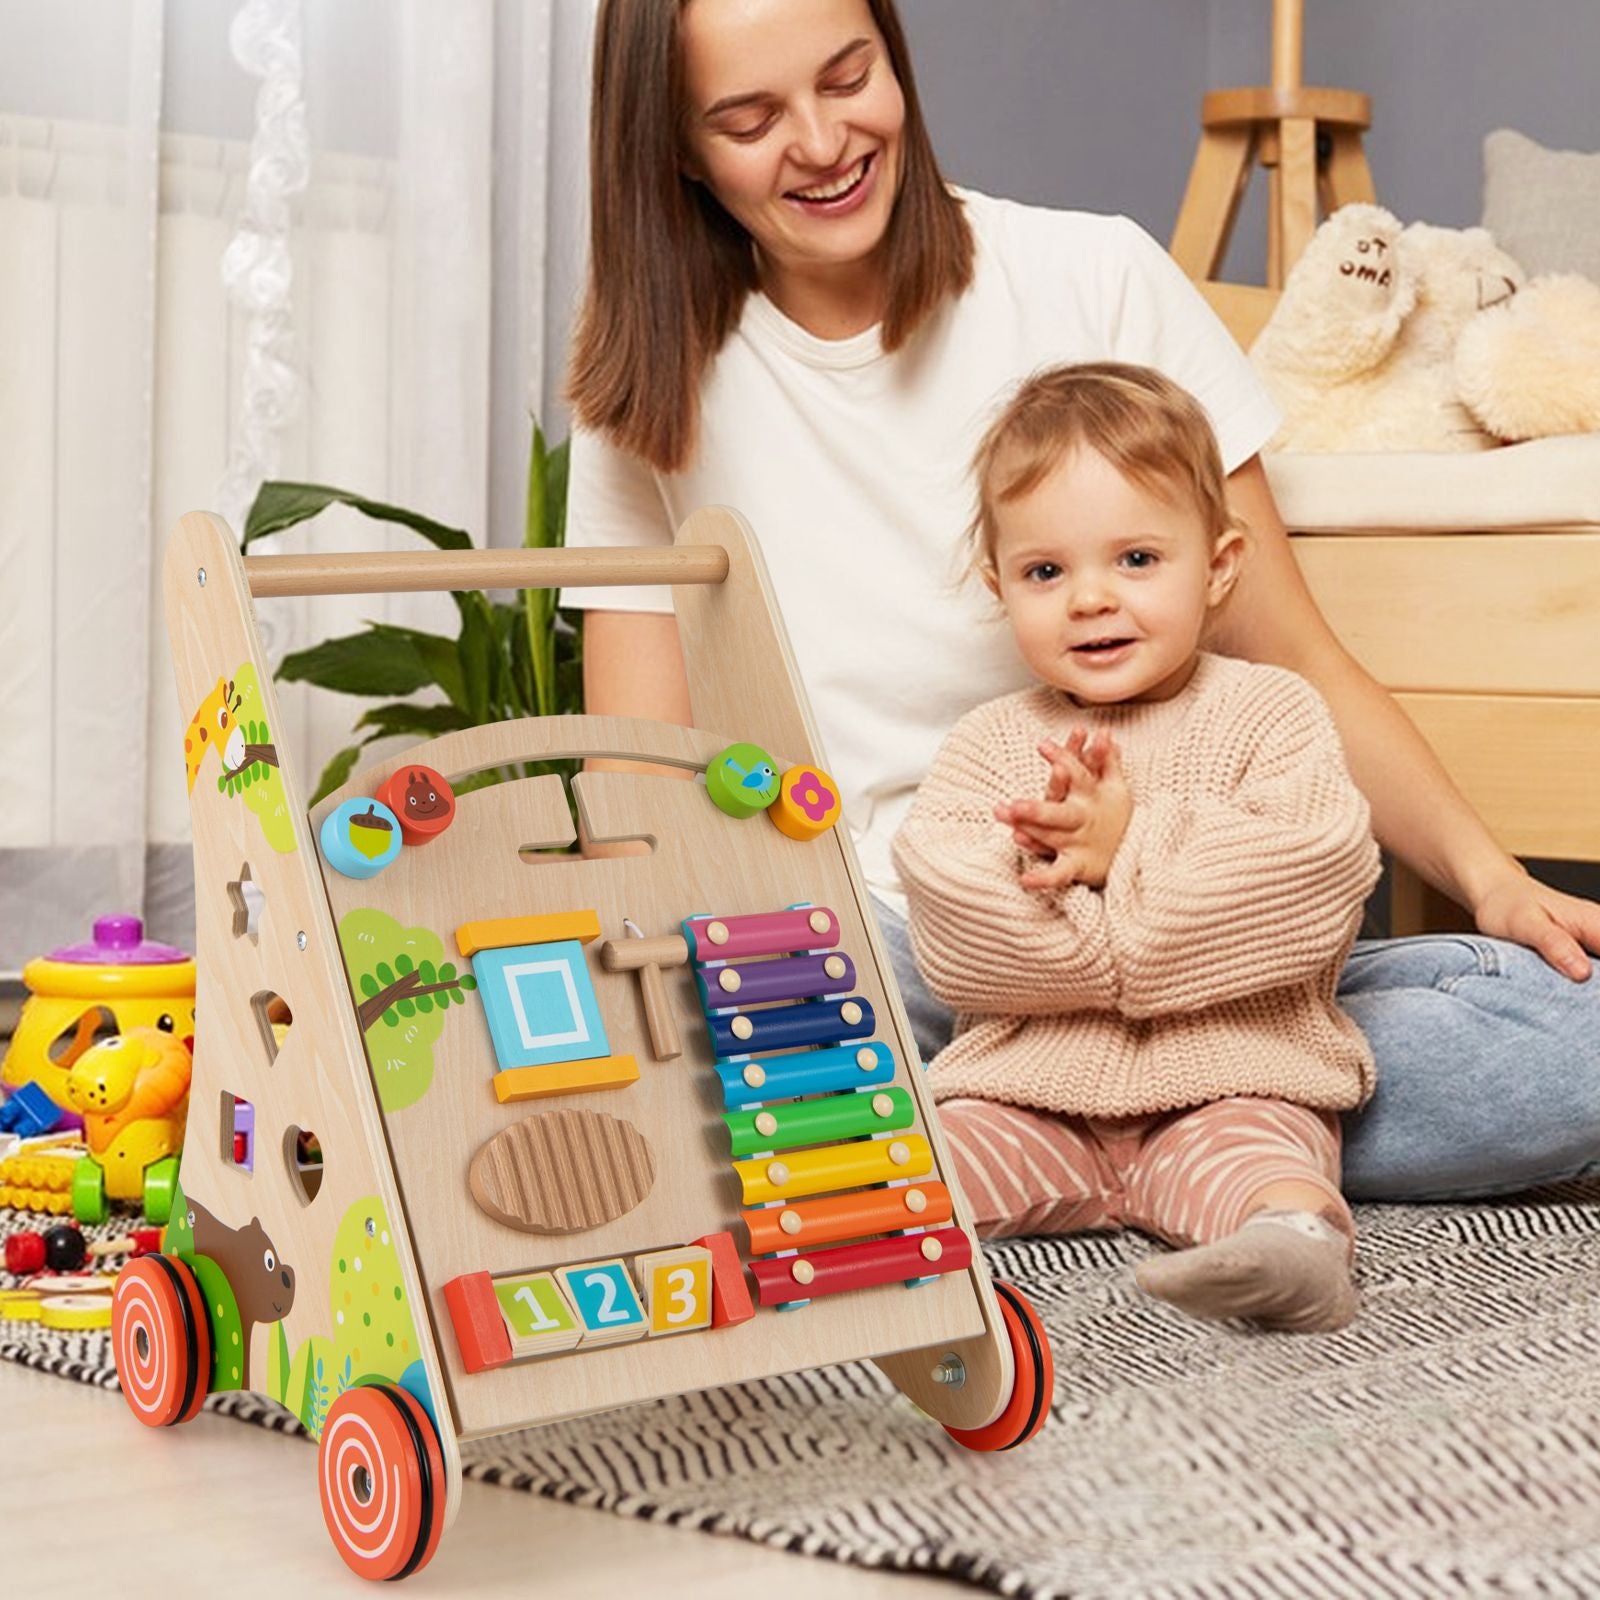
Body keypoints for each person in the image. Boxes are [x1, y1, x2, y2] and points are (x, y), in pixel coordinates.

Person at [557, 0, 1600, 1203]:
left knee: (1565, 1034)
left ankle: (1040, 1131)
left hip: (1204, 948)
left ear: (894, 58)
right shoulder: (651, 381)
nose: (821, 141)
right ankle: (1204, 1130)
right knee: (658, 1047)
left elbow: (1295, 653)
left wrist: (1491, 876)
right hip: (900, 948)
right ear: (678, 147)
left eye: (848, 77)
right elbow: (636, 780)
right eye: (748, 118)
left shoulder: (1090, 273)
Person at [892, 362, 1380, 1330]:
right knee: (921, 1169)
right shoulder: (990, 742)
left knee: (1262, 1164)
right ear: (1000, 586)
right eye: (1045, 571)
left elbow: (1313, 880)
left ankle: (1290, 1252)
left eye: (1136, 560)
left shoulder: (1267, 710)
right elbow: (956, 939)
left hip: (1230, 1077)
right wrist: (1063, 879)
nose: (1088, 599)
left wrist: (1124, 852)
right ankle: (796, 1246)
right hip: (1025, 1094)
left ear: (1220, 566)